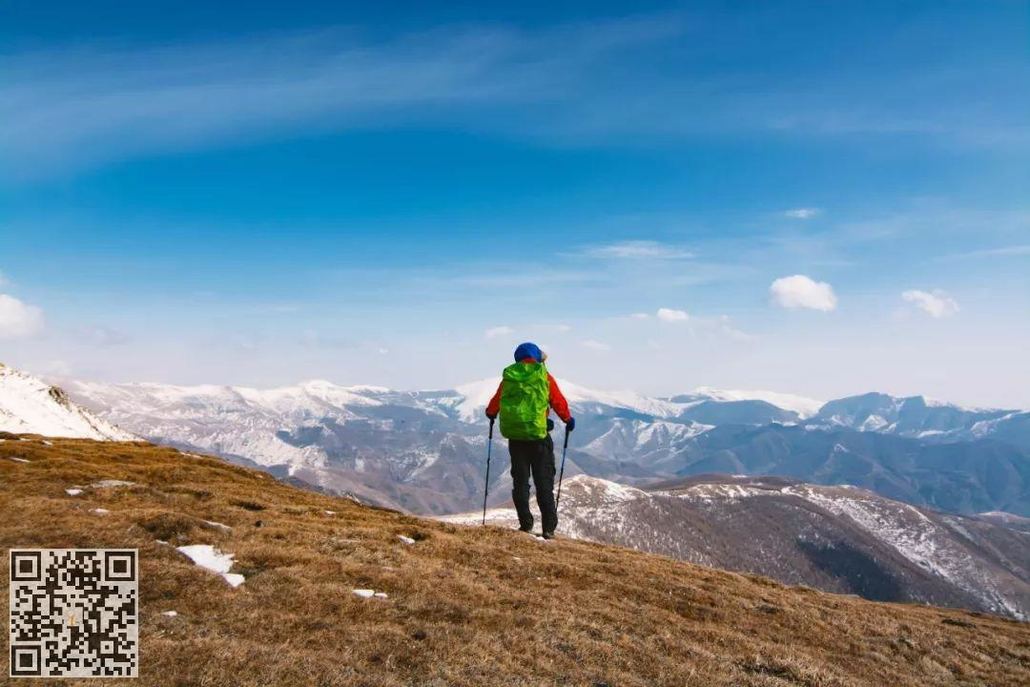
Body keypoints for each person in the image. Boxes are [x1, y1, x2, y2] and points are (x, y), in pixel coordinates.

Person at [485, 342, 575, 539]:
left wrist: (491, 413)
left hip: (516, 439)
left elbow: (495, 403)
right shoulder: (544, 376)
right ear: (536, 356)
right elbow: (558, 401)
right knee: (544, 483)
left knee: (520, 482)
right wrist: (568, 419)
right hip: (539, 439)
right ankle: (548, 529)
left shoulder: (509, 377)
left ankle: (525, 524)